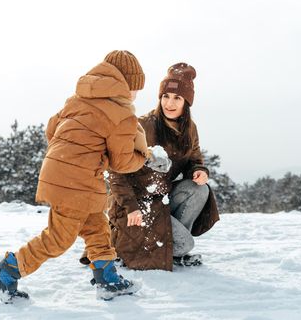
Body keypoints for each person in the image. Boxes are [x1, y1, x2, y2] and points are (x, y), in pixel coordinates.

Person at [0, 50, 163, 302]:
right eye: (136, 88)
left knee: (97, 229)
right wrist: (146, 158)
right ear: (126, 83)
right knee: (59, 238)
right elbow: (122, 163)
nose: (135, 94)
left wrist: (75, 155)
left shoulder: (79, 98)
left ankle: (107, 278)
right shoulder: (120, 113)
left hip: (65, 172)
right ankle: (5, 274)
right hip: (76, 181)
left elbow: (51, 128)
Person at [94, 62, 220, 271]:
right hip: (135, 204)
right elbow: (115, 171)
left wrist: (199, 170)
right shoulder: (141, 125)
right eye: (165, 96)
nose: (169, 103)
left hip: (162, 199)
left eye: (177, 98)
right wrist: (131, 207)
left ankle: (170, 246)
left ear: (186, 102)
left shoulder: (189, 128)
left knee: (199, 189)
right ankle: (141, 245)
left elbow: (194, 158)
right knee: (185, 244)